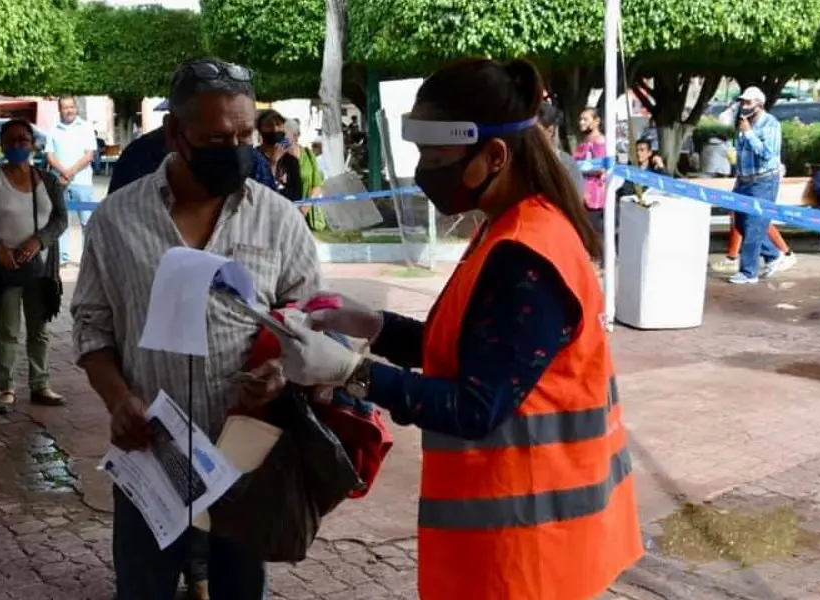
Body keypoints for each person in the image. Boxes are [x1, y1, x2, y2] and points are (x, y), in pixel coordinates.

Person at [271, 58, 642, 600]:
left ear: (494, 155)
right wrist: (373, 326)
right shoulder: (511, 227)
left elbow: (475, 406)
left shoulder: (527, 255)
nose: (425, 171)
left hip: (525, 551)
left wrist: (353, 373)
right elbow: (470, 348)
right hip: (519, 538)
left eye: (434, 156)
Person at [71, 57, 320, 600]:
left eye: (244, 134)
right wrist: (117, 400)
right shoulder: (116, 221)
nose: (234, 148)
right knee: (144, 590)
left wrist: (280, 368)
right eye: (215, 137)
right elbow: (91, 327)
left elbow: (307, 321)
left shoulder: (278, 219)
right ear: (174, 135)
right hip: (150, 456)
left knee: (239, 590)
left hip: (244, 456)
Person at [0, 119, 69, 412]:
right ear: (1, 144)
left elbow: (60, 220)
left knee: (39, 329)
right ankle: (5, 387)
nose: (16, 146)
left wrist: (40, 241)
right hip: (4, 267)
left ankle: (41, 384)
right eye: (10, 141)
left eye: (22, 140)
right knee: (7, 330)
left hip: (40, 267)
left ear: (33, 144)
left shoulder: (48, 181)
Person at [728, 86, 796, 284]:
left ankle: (749, 272)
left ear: (759, 104)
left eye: (748, 102)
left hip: (763, 180)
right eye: (742, 102)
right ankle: (774, 255)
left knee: (755, 224)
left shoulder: (770, 124)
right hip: (744, 179)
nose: (744, 105)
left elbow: (767, 153)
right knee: (740, 221)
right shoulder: (743, 122)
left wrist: (749, 134)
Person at [46, 96, 97, 266]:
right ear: (60, 110)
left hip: (82, 182)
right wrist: (63, 173)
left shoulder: (86, 128)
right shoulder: (53, 130)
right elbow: (50, 156)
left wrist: (70, 172)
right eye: (65, 107)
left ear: (76, 108)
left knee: (87, 222)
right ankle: (62, 258)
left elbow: (89, 155)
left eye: (71, 107)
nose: (69, 110)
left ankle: (87, 259)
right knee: (61, 222)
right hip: (59, 182)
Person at [573, 108, 608, 233]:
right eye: (580, 119)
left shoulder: (600, 142)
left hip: (594, 200)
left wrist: (578, 167)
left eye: (585, 119)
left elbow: (600, 167)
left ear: (596, 121)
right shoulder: (583, 142)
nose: (581, 122)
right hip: (580, 198)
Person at [256, 109, 303, 202]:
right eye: (269, 125)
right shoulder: (253, 157)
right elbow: (259, 193)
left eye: (278, 125)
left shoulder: (291, 160)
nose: (275, 129)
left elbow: (297, 194)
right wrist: (273, 162)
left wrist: (274, 194)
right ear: (260, 129)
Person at [288, 119, 327, 229]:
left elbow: (317, 184)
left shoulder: (308, 155)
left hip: (307, 215)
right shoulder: (279, 155)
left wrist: (305, 207)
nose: (285, 139)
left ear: (297, 136)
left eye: (288, 135)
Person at [537, 103, 584, 195]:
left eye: (534, 131)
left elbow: (576, 200)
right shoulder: (520, 162)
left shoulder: (566, 163)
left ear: (550, 131)